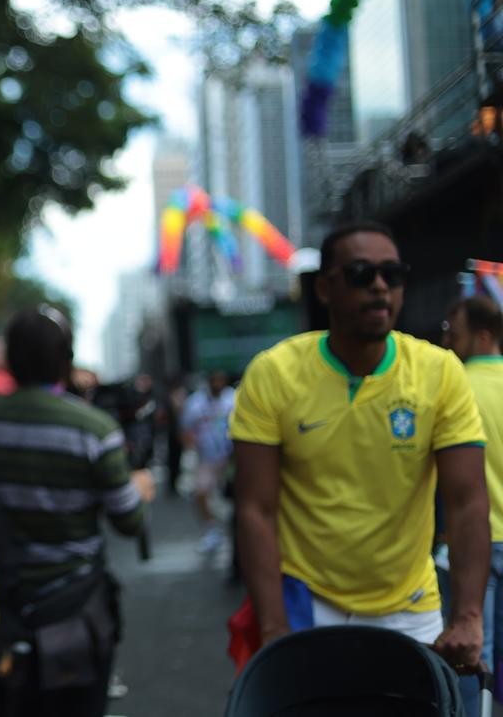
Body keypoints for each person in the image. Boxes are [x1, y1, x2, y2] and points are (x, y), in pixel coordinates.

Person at [232, 221, 488, 676]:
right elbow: (255, 508)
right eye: (360, 274)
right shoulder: (273, 374)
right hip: (306, 607)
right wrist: (273, 629)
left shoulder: (440, 373)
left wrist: (467, 618)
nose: (379, 286)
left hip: (410, 609)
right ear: (326, 289)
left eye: (392, 274)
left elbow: (467, 502)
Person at [0, 306, 153, 717]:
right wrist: (138, 489)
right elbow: (128, 522)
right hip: (78, 615)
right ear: (65, 359)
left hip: (12, 608)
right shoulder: (94, 429)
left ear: (10, 360)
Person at [442, 294, 503, 678]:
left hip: (473, 543)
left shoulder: (455, 387)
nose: (448, 341)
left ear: (482, 337)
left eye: (455, 332)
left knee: (473, 657)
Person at [181, 370, 235, 554]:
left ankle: (235, 532)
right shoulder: (195, 402)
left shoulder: (232, 398)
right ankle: (212, 530)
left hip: (231, 458)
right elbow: (186, 429)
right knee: (201, 493)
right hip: (206, 457)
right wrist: (191, 453)